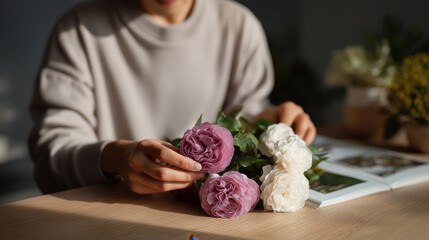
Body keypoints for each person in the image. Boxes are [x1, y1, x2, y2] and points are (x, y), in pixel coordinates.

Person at [29, 0, 316, 194]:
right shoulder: (79, 31)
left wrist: (268, 122)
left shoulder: (238, 25)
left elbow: (245, 112)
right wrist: (115, 157)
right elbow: (50, 158)